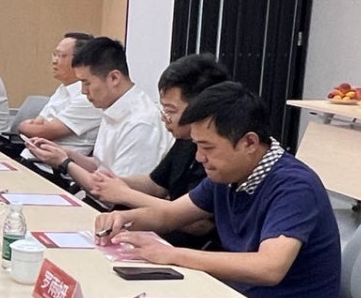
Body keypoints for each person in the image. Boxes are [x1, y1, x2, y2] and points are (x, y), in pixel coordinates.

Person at [96, 82, 345, 298]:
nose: (200, 158)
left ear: (249, 142)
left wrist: (173, 255)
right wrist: (124, 218)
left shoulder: (293, 186)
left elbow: (269, 267)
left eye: (207, 147)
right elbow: (170, 215)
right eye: (197, 146)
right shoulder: (228, 174)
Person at [69, 53, 230, 213]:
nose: (164, 117)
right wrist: (115, 182)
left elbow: (192, 219)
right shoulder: (185, 139)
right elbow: (155, 184)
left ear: (201, 108)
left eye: (171, 111)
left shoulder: (217, 156)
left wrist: (124, 194)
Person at [24, 36, 170, 178]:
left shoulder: (140, 123)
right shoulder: (112, 107)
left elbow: (119, 190)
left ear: (114, 78)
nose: (83, 91)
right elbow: (101, 167)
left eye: (86, 83)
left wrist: (65, 163)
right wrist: (65, 154)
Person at [15, 32, 102, 153]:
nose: (54, 61)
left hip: (50, 163)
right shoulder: (63, 89)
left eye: (60, 55)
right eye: (54, 54)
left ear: (80, 60)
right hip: (30, 155)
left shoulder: (87, 97)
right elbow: (38, 122)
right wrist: (33, 127)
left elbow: (43, 132)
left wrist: (22, 126)